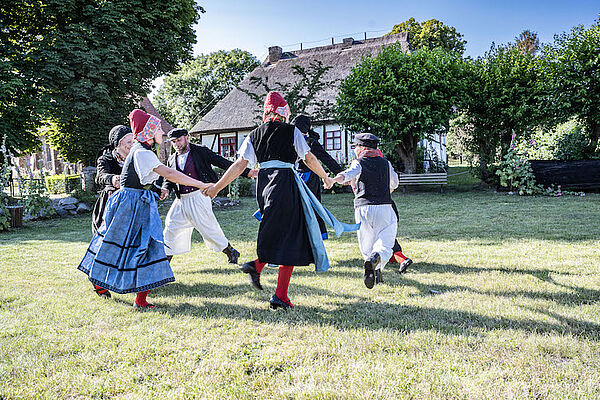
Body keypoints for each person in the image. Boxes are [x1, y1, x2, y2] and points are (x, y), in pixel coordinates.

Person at [203, 91, 357, 310]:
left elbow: (239, 165)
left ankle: (268, 280)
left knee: (279, 234)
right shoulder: (292, 131)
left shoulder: (254, 134)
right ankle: (272, 286)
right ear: (284, 112)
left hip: (265, 186)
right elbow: (309, 158)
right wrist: (326, 178)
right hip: (285, 184)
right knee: (292, 237)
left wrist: (218, 187)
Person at [78, 109, 211, 309]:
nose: (161, 132)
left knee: (146, 247)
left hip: (139, 202)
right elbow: (168, 172)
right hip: (129, 205)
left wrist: (157, 190)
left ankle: (139, 300)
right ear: (149, 131)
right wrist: (201, 185)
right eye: (157, 128)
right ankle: (100, 283)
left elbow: (149, 179)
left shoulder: (144, 151)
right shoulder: (141, 152)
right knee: (117, 245)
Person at [161, 128, 254, 264]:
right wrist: (165, 188)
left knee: (208, 229)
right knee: (171, 227)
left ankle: (231, 252)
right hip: (180, 200)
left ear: (187, 138)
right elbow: (169, 178)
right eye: (174, 142)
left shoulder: (200, 151)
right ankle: (164, 263)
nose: (177, 144)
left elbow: (222, 162)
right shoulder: (171, 159)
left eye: (179, 140)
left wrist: (247, 172)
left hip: (199, 195)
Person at [325, 133, 399, 289]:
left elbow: (347, 175)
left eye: (355, 147)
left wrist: (332, 180)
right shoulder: (386, 163)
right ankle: (376, 263)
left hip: (362, 209)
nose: (355, 150)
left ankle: (374, 270)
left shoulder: (358, 162)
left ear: (362, 148)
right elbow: (395, 183)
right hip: (384, 207)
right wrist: (387, 190)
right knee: (385, 243)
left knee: (367, 244)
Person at [292, 115, 344, 240]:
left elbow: (326, 158)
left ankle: (315, 235)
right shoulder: (292, 140)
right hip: (296, 176)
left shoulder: (311, 143)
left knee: (312, 207)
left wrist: (341, 174)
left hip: (309, 179)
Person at [91, 125, 134, 236]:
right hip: (111, 203)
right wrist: (112, 179)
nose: (132, 145)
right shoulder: (106, 159)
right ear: (118, 144)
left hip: (133, 203)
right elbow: (100, 176)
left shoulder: (136, 159)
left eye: (134, 141)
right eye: (129, 142)